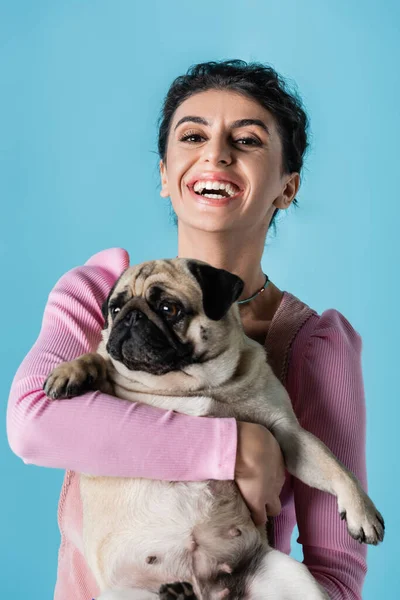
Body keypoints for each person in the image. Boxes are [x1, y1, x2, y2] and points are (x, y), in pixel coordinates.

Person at [7, 59, 368, 599]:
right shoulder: (96, 293)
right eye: (193, 135)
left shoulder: (312, 344)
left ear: (287, 187)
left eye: (245, 140)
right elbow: (34, 425)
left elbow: (337, 572)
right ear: (163, 174)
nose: (214, 154)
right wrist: (237, 446)